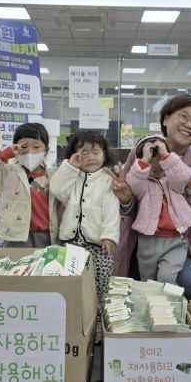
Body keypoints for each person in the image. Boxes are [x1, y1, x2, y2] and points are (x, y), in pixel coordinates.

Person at [108, 94, 191, 299]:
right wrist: (126, 199)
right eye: (183, 116)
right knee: (139, 285)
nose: (189, 124)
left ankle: (170, 310)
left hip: (176, 241)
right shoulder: (142, 150)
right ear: (166, 119)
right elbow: (131, 196)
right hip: (141, 239)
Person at [50, 130, 120, 308]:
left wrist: (109, 236)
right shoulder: (72, 176)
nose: (90, 157)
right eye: (84, 153)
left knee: (99, 286)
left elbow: (112, 210)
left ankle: (98, 319)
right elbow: (56, 189)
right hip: (70, 242)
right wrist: (70, 167)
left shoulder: (107, 180)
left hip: (98, 245)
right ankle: (73, 315)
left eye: (95, 152)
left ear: (104, 154)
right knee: (70, 284)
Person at [125, 134, 191, 285]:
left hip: (175, 241)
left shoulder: (174, 182)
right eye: (151, 161)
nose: (157, 165)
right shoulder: (143, 185)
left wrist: (166, 156)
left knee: (167, 278)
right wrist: (144, 160)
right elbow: (133, 183)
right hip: (148, 241)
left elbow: (184, 176)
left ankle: (173, 299)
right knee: (149, 282)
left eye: (160, 160)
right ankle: (156, 301)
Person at [0, 122, 57, 247]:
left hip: (48, 237)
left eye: (36, 147)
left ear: (46, 150)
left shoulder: (53, 176)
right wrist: (5, 154)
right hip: (16, 237)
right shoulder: (8, 173)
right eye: (24, 147)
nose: (30, 152)